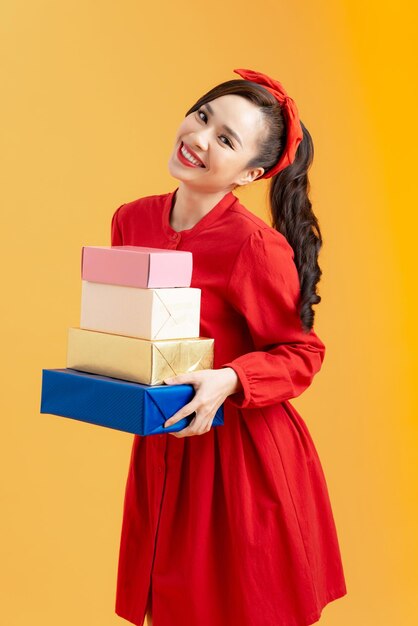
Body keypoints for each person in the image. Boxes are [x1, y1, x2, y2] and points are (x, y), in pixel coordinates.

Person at [111, 68, 347, 626]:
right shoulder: (131, 219)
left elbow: (301, 353)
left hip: (241, 457)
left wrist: (231, 378)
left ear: (252, 173)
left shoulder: (254, 247)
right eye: (201, 116)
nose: (199, 139)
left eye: (225, 139)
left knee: (238, 606)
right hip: (166, 438)